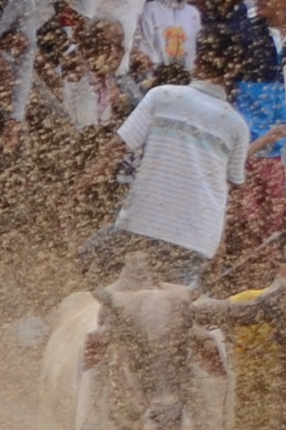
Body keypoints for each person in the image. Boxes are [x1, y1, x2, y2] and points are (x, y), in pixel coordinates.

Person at [77, 24, 252, 287]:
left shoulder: (163, 96)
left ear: (199, 58)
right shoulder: (236, 125)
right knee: (174, 314)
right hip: (196, 240)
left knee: (86, 264)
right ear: (234, 70)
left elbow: (116, 148)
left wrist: (80, 187)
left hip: (142, 226)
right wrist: (219, 250)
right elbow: (230, 194)